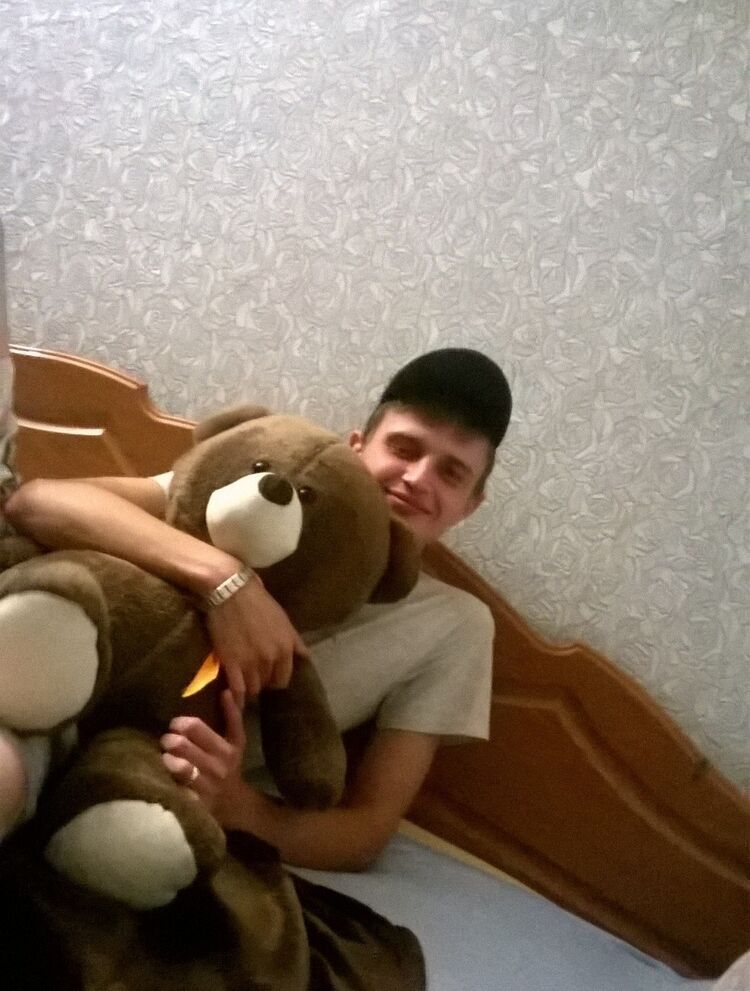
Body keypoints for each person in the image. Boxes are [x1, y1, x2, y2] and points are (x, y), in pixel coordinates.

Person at [3, 348, 512, 868]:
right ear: (356, 447)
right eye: (403, 448)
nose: (418, 478)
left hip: (155, 788)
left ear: (471, 504)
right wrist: (226, 583)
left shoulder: (454, 625)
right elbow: (38, 504)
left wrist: (239, 807)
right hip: (49, 697)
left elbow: (365, 833)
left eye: (451, 473)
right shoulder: (263, 490)